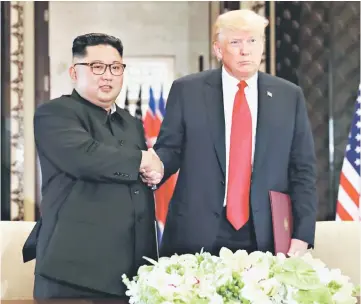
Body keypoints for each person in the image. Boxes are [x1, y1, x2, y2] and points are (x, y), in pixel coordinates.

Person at [143, 9, 318, 258]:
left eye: (252, 41)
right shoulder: (188, 90)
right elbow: (170, 150)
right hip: (196, 229)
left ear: (262, 47)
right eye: (235, 42)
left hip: (265, 232)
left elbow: (303, 170)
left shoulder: (289, 96)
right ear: (218, 49)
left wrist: (302, 234)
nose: (244, 50)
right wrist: (156, 168)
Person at [30, 33, 162, 299]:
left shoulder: (131, 122)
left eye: (115, 67)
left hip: (131, 274)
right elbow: (85, 157)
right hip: (75, 274)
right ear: (74, 72)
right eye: (97, 67)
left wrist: (154, 170)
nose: (108, 75)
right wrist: (142, 160)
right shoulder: (56, 112)